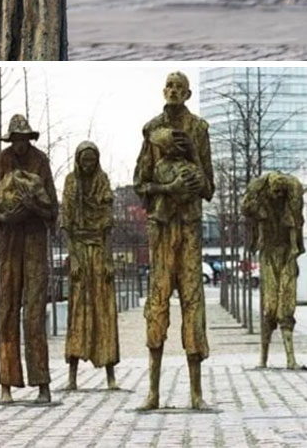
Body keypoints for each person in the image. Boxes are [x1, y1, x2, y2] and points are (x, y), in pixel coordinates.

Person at [134, 71, 214, 410]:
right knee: (158, 303)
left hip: (191, 228)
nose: (173, 91)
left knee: (194, 304)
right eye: (169, 86)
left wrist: (194, 160)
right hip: (162, 227)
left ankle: (196, 394)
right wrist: (167, 189)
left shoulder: (200, 129)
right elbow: (140, 183)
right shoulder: (152, 130)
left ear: (188, 93)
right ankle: (153, 392)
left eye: (179, 87)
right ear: (163, 90)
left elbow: (209, 188)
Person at [0, 115, 58, 403]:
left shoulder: (40, 160)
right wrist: (5, 216)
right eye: (15, 139)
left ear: (29, 139)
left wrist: (33, 207)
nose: (19, 144)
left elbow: (52, 208)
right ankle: (6, 383)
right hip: (9, 244)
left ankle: (42, 383)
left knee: (33, 314)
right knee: (7, 311)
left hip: (34, 241)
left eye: (23, 139)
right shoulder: (1, 160)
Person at [62, 142, 120, 391]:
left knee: (104, 311)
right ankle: (72, 376)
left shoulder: (103, 181)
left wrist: (108, 259)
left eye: (92, 160)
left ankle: (110, 376)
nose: (88, 165)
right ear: (78, 160)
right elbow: (66, 224)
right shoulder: (70, 182)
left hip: (98, 252)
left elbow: (107, 226)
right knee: (78, 312)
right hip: (79, 253)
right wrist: (73, 258)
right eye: (84, 160)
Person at [242, 171, 305, 368]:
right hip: (269, 256)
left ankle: (290, 359)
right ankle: (263, 358)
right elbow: (246, 207)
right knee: (269, 307)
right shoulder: (260, 203)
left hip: (287, 256)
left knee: (286, 304)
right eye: (275, 192)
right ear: (268, 190)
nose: (278, 195)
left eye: (281, 192)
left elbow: (296, 226)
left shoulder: (292, 203)